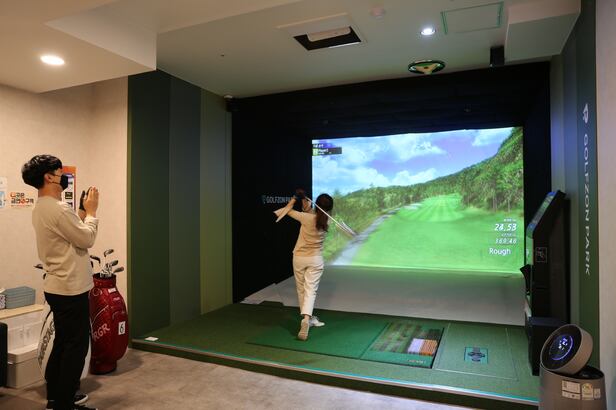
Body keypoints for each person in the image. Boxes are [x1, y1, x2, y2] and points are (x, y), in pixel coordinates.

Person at [22, 155, 99, 410]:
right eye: (59, 171)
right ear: (48, 177)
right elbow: (86, 239)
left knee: (63, 343)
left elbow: (69, 235)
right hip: (71, 289)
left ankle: (56, 397)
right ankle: (65, 403)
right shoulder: (58, 209)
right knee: (76, 347)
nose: (63, 175)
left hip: (57, 287)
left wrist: (80, 213)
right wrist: (92, 213)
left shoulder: (42, 207)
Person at [280, 189, 333, 341]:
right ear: (329, 208)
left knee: (301, 289)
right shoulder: (327, 221)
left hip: (299, 258)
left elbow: (286, 211)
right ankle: (307, 318)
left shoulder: (306, 218)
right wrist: (304, 200)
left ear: (316, 205)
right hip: (315, 259)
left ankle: (307, 318)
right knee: (311, 290)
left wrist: (295, 198)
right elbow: (310, 212)